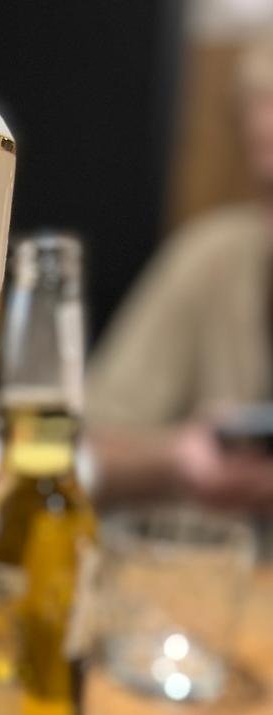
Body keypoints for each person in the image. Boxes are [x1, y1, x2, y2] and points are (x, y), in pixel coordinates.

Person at [86, 35, 273, 511]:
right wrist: (178, 456)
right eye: (267, 187)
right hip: (215, 553)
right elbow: (83, 451)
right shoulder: (212, 258)